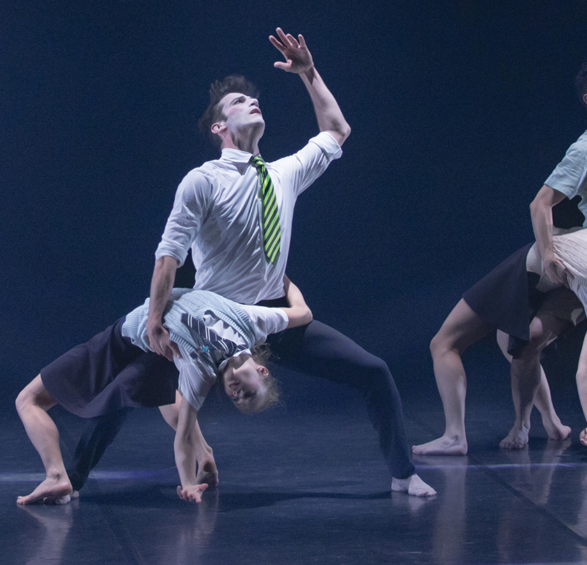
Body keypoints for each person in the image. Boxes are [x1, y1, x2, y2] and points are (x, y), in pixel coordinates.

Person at [64, 28, 435, 498]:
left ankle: (404, 474)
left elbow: (337, 131)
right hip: (214, 324)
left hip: (272, 314)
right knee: (129, 388)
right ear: (219, 128)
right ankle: (71, 481)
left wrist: (309, 73)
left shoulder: (283, 173)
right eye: (237, 103)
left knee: (373, 371)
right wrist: (156, 321)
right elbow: (168, 256)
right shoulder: (202, 181)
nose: (251, 103)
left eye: (252, 99)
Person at [413, 61, 587, 455]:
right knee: (518, 343)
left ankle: (464, 435)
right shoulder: (585, 148)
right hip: (548, 264)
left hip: (569, 261)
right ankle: (543, 424)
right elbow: (541, 204)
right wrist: (548, 254)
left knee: (451, 342)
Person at [16, 276, 312, 505]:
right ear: (263, 371)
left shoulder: (202, 372)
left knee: (29, 399)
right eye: (248, 393)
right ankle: (205, 453)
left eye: (236, 399)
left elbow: (182, 437)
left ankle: (57, 475)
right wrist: (281, 278)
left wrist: (187, 484)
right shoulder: (252, 323)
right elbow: (303, 312)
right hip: (138, 346)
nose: (237, 393)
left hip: (125, 342)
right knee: (137, 394)